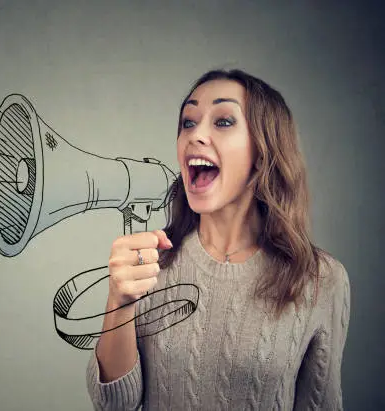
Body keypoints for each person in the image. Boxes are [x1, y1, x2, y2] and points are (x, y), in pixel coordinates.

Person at [85, 69, 351, 410]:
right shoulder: (150, 263)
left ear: (262, 151)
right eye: (188, 122)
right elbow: (113, 405)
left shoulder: (321, 280)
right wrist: (118, 301)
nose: (196, 135)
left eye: (223, 121)